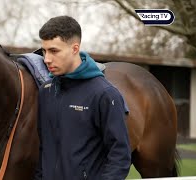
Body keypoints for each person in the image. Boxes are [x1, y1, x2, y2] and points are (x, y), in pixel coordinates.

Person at [34, 16, 131, 180]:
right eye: (44, 51)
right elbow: (44, 148)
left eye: (54, 51)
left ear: (74, 48)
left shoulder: (105, 94)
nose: (46, 59)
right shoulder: (46, 91)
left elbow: (120, 156)